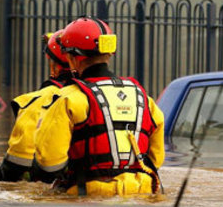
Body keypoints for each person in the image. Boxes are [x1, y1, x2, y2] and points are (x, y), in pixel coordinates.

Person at [30, 16, 164, 196]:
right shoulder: (143, 98)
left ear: (72, 58)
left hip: (88, 196)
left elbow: (50, 162)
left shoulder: (67, 99)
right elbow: (156, 159)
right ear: (108, 54)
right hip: (141, 192)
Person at [0, 30, 73, 181]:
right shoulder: (100, 94)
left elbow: (17, 162)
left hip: (53, 190)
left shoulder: (40, 100)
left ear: (53, 64)